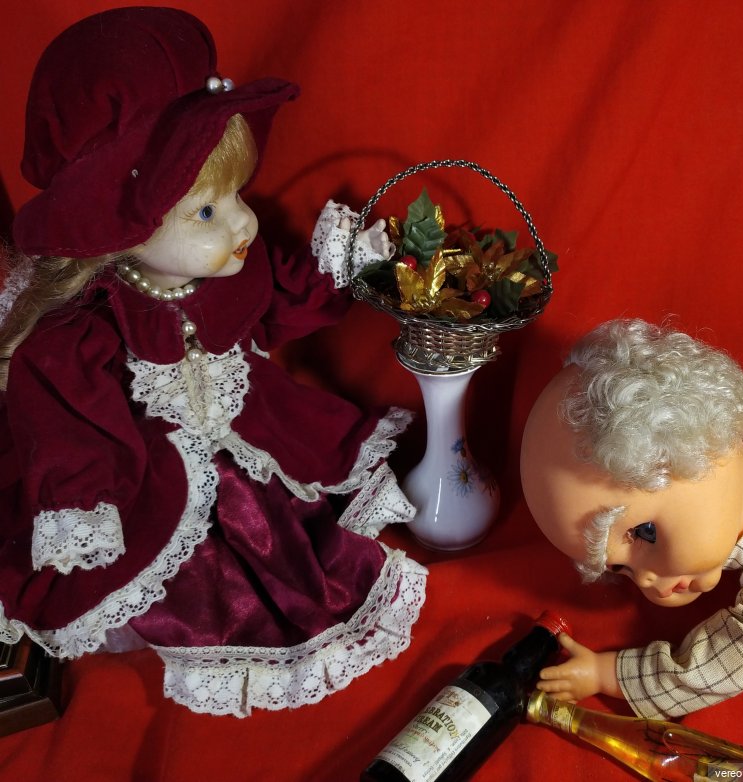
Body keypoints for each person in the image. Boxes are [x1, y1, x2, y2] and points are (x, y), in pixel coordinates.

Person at [0, 7, 427, 717]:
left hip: (261, 438)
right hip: (150, 483)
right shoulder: (82, 333)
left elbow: (279, 304)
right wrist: (87, 505)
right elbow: (72, 425)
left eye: (237, 195)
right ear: (119, 227)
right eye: (206, 212)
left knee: (291, 521)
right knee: (193, 564)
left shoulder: (233, 273)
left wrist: (336, 269)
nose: (243, 223)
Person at [520, 318, 743, 719]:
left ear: (702, 444)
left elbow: (706, 671)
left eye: (645, 532)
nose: (644, 579)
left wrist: (606, 674)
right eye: (619, 568)